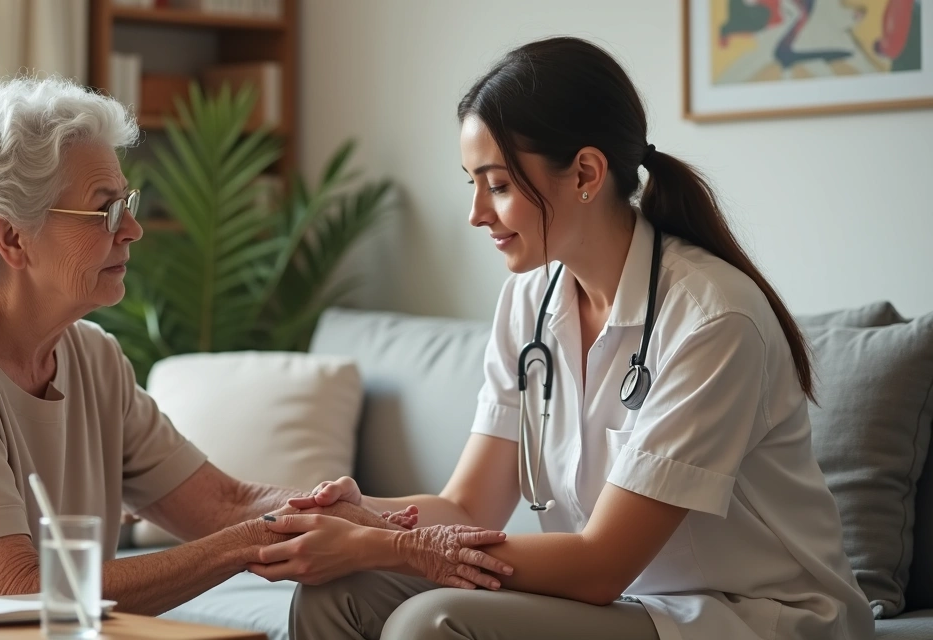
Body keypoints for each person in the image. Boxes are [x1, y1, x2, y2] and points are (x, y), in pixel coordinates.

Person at [0, 76, 510, 613]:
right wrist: (256, 540)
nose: (132, 230)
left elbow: (226, 501)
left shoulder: (92, 358)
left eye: (128, 205)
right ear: (11, 237)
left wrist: (365, 518)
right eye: (105, 210)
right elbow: (12, 591)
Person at [250, 37, 874, 640]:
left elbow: (601, 565)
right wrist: (363, 516)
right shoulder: (530, 299)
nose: (475, 213)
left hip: (749, 618)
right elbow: (469, 509)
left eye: (495, 184)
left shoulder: (713, 321)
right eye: (472, 183)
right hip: (632, 606)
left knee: (430, 623)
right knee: (341, 592)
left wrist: (381, 545)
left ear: (585, 172)